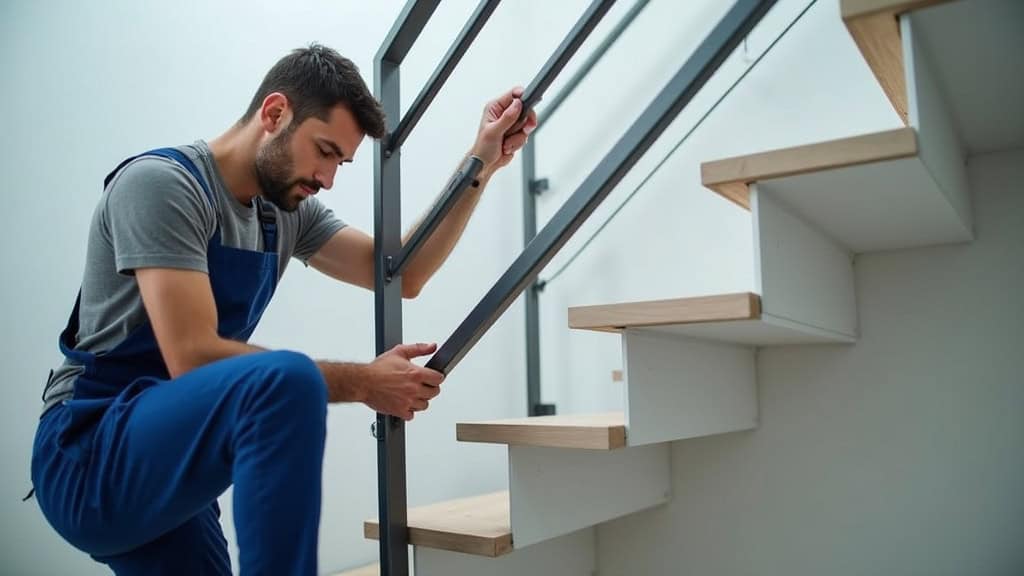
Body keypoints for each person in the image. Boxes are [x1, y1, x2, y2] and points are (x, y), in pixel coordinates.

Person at [29, 43, 537, 575]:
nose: (328, 178)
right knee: (284, 382)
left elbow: (402, 273)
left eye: (340, 162)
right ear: (274, 114)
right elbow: (192, 357)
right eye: (324, 151)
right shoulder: (163, 186)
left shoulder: (283, 213)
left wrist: (482, 162)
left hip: (170, 455)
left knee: (281, 383)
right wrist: (366, 382)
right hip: (91, 449)